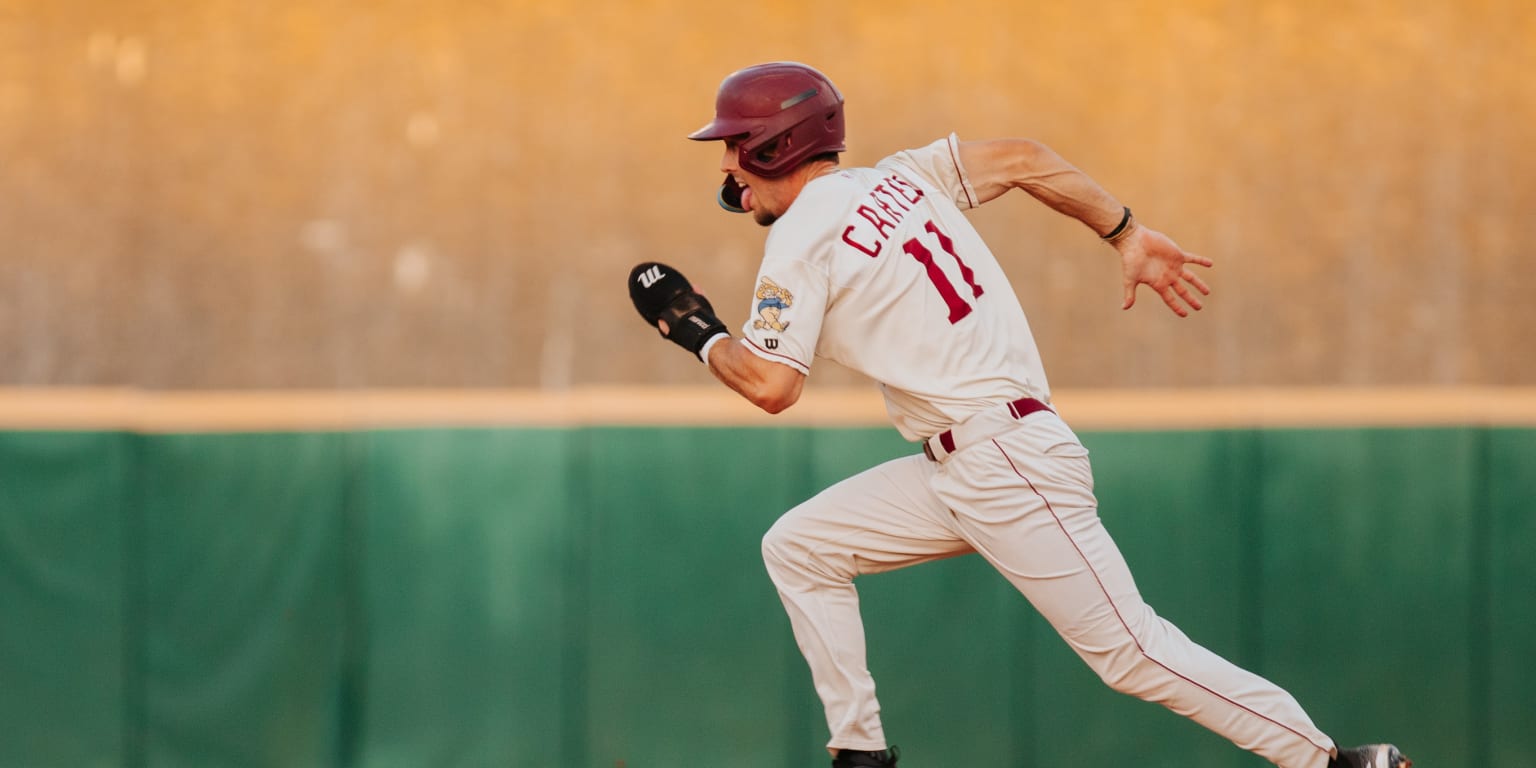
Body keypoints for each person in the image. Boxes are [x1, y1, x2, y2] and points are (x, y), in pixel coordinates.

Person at [626, 61, 1410, 768]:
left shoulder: (801, 235)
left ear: (777, 146)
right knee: (799, 547)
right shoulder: (903, 177)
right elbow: (1027, 159)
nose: (726, 163)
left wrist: (695, 330)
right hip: (967, 458)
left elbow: (770, 386)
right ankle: (858, 752)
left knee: (1130, 651)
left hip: (1001, 461)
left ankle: (1330, 763)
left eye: (737, 143)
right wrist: (1126, 232)